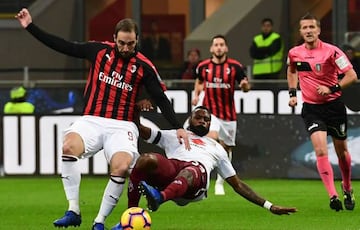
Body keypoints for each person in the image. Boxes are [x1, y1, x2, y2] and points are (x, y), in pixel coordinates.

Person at [16, 8, 189, 230]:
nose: (126, 48)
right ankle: (73, 210)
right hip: (92, 119)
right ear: (114, 39)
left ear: (137, 41)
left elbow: (160, 97)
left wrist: (177, 127)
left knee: (122, 166)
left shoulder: (144, 66)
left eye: (131, 44)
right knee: (68, 146)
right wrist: (30, 26)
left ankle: (99, 222)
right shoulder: (97, 51)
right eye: (122, 43)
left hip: (123, 125)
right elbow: (63, 46)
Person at [111, 106, 297, 229]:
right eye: (198, 118)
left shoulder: (217, 148)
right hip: (173, 173)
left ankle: (159, 198)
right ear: (190, 120)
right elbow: (143, 131)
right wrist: (132, 109)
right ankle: (129, 216)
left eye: (206, 119)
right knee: (145, 160)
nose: (202, 121)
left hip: (195, 183)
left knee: (192, 169)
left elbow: (238, 185)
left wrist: (269, 206)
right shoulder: (176, 135)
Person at [287, 13, 358, 212]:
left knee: (341, 152)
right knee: (320, 150)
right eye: (305, 28)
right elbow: (291, 71)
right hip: (311, 108)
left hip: (334, 107)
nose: (308, 31)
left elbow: (351, 75)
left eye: (312, 27)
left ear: (318, 30)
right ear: (300, 31)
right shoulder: (294, 53)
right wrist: (293, 93)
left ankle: (347, 188)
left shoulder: (332, 52)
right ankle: (332, 195)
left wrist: (332, 88)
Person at [191, 34, 250, 195]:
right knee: (211, 140)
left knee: (227, 148)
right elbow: (199, 81)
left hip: (229, 115)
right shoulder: (203, 66)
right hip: (210, 113)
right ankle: (204, 179)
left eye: (221, 44)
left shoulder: (235, 66)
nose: (218, 47)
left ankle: (220, 181)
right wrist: (196, 95)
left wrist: (245, 86)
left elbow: (245, 86)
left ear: (226, 48)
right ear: (211, 48)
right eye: (216, 44)